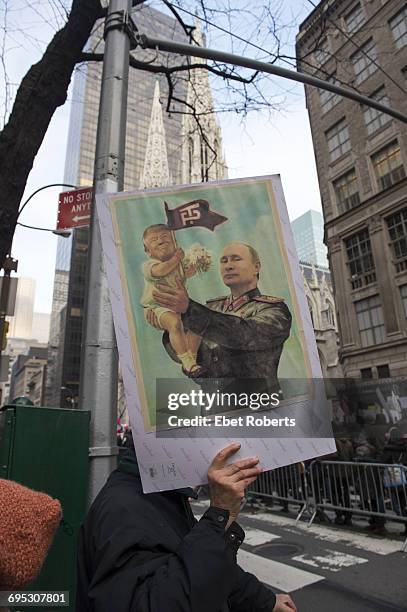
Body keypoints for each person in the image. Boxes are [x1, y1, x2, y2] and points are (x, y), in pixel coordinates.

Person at [76, 439, 297, 612]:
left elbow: (197, 562)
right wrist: (219, 515)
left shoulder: (161, 495)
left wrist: (264, 601)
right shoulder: (124, 509)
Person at [147, 241, 292, 408]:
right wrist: (172, 325)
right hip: (214, 414)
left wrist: (189, 310)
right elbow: (191, 354)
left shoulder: (274, 310)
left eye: (236, 259)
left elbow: (243, 335)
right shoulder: (212, 308)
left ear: (256, 267)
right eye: (224, 261)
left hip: (257, 413)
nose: (228, 266)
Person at [141, 224, 204, 377]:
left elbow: (186, 274)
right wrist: (176, 258)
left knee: (200, 323)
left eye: (165, 237)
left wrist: (197, 263)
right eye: (155, 240)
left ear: (174, 243)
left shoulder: (178, 264)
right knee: (175, 323)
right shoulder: (150, 265)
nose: (160, 240)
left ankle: (191, 359)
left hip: (178, 305)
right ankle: (187, 361)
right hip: (156, 307)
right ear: (149, 252)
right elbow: (161, 271)